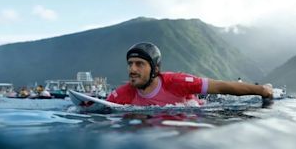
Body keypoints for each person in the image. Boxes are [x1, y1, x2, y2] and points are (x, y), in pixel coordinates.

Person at [107, 42, 273, 106]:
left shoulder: (177, 82)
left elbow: (222, 87)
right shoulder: (123, 94)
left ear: (155, 69)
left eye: (139, 64)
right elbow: (92, 106)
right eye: (130, 64)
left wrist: (262, 90)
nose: (132, 70)